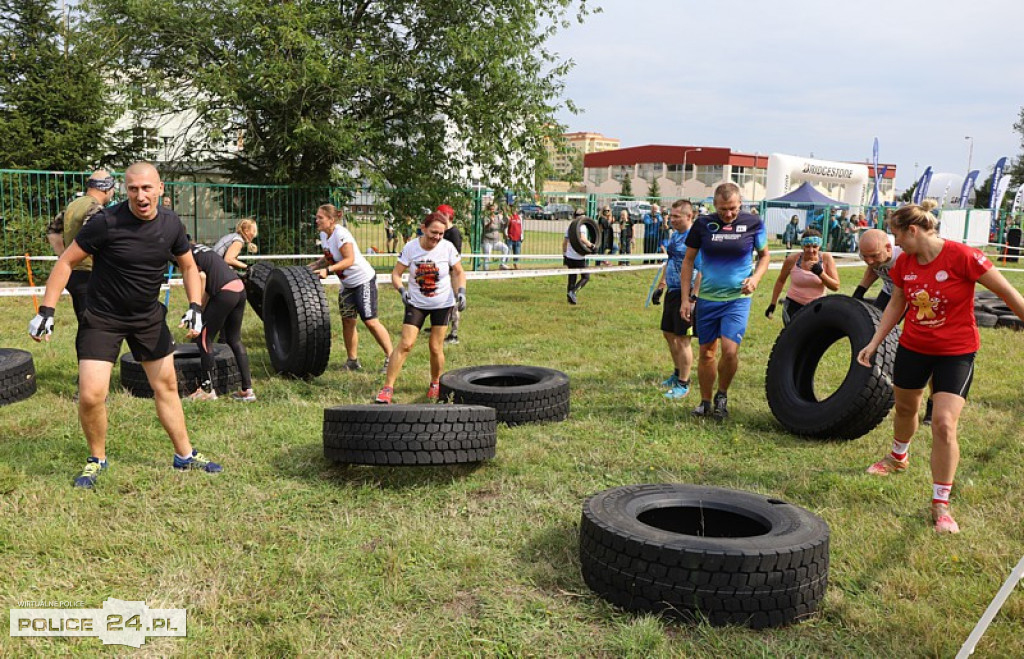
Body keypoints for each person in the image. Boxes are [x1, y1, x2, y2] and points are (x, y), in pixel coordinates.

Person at [28, 162, 222, 488]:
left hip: (147, 317)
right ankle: (97, 459)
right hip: (102, 317)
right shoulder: (106, 221)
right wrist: (46, 310)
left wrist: (195, 305)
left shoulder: (171, 224)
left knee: (167, 387)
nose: (140, 195)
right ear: (125, 190)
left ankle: (184, 455)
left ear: (160, 189)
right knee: (91, 395)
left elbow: (189, 267)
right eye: (133, 189)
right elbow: (67, 261)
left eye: (147, 188)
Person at [856, 204, 1024, 534]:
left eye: (898, 235)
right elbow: (897, 302)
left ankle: (940, 504)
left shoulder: (964, 257)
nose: (896, 244)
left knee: (944, 423)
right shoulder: (904, 262)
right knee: (906, 409)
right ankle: (898, 457)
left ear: (913, 231)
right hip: (914, 348)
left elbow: (1010, 294)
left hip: (956, 352)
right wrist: (875, 341)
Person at [679, 182, 770, 421]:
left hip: (737, 300)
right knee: (707, 353)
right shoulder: (702, 225)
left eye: (732, 209)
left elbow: (765, 256)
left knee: (730, 352)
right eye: (722, 210)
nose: (728, 214)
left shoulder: (753, 223)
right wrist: (686, 299)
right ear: (714, 205)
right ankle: (705, 402)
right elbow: (688, 261)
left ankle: (722, 395)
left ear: (740, 203)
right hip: (707, 299)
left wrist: (756, 278)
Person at [375, 212, 466, 404]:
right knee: (406, 344)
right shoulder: (411, 248)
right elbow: (396, 274)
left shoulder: (447, 248)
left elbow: (458, 272)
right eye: (433, 232)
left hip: (442, 304)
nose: (437, 237)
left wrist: (461, 292)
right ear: (423, 228)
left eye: (441, 234)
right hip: (416, 303)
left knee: (435, 347)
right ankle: (387, 388)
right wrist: (401, 291)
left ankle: (435, 383)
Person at [311, 204, 393, 372]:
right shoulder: (324, 235)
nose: (316, 220)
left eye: (320, 217)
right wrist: (312, 267)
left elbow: (349, 259)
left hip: (363, 281)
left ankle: (391, 357)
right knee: (348, 321)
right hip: (347, 284)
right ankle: (352, 361)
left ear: (331, 220)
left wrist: (328, 270)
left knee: (370, 321)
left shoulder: (341, 234)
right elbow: (329, 257)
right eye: (317, 217)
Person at [186, 241, 256, 402]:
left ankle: (207, 390)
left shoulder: (185, 254)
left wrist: (196, 314)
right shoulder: (199, 248)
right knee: (234, 339)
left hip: (225, 292)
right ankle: (247, 391)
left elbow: (202, 278)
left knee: (204, 338)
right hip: (239, 287)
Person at [45, 170, 117, 321]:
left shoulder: (73, 205)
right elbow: (93, 238)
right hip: (90, 274)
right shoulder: (95, 208)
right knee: (93, 324)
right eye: (112, 188)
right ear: (106, 188)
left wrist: (64, 257)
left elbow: (52, 231)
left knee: (84, 319)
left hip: (73, 273)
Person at [654, 199, 701, 399]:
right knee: (668, 333)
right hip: (673, 291)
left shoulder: (696, 238)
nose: (671, 220)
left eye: (676, 216)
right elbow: (671, 261)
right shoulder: (675, 236)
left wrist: (693, 296)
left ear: (689, 216)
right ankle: (676, 372)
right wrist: (662, 285)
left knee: (683, 338)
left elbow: (702, 270)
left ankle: (684, 382)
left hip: (687, 294)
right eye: (670, 215)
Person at [764, 229, 840, 325]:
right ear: (802, 246)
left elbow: (835, 286)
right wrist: (773, 304)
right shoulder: (792, 259)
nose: (811, 250)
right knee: (793, 337)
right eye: (807, 246)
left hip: (817, 306)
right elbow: (780, 281)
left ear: (819, 246)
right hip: (793, 305)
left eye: (815, 246)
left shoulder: (826, 258)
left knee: (814, 338)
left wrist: (821, 273)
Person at [436, 203, 464, 345]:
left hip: (452, 273)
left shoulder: (454, 233)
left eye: (439, 214)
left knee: (452, 302)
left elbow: (456, 255)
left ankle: (454, 334)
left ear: (446, 215)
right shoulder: (442, 232)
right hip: (443, 272)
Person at [563, 209, 595, 305]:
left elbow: (564, 243)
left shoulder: (570, 227)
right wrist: (591, 246)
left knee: (572, 278)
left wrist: (564, 255)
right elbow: (583, 239)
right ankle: (573, 292)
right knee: (586, 277)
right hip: (579, 257)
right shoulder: (582, 226)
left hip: (569, 256)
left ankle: (570, 299)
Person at [482, 204, 510, 270]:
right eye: (491, 209)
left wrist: (507, 221)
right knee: (487, 257)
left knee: (505, 248)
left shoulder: (498, 217)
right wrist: (491, 221)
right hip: (487, 241)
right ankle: (485, 271)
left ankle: (502, 264)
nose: (492, 211)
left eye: (493, 209)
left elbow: (503, 226)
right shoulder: (486, 217)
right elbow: (485, 228)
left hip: (496, 241)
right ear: (488, 210)